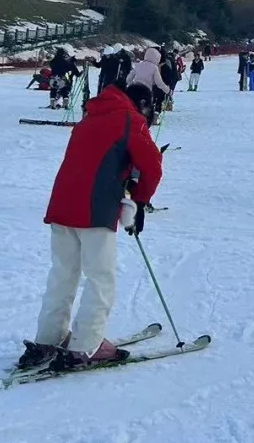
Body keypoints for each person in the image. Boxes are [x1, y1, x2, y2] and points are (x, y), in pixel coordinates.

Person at [16, 81, 163, 370]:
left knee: (63, 274)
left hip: (62, 206)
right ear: (142, 105)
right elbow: (153, 165)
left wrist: (128, 182)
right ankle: (86, 346)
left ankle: (49, 338)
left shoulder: (90, 116)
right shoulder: (130, 119)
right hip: (95, 210)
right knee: (101, 278)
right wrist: (141, 200)